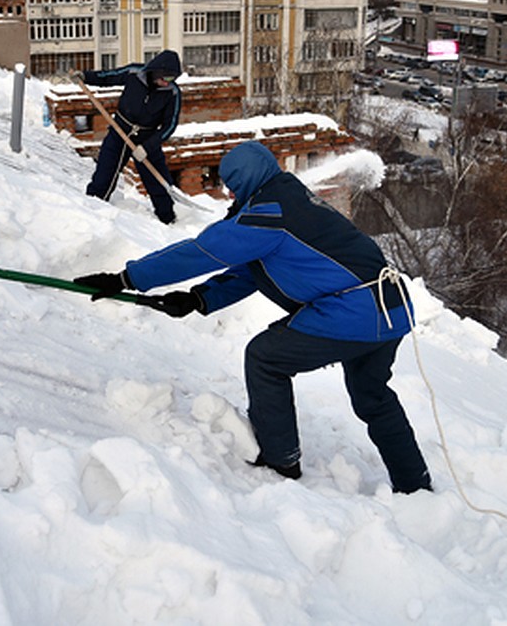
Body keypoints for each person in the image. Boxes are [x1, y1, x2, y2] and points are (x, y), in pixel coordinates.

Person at [74, 141, 432, 492]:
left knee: (266, 358)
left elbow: (201, 252)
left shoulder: (268, 213)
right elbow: (253, 269)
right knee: (374, 398)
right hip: (391, 309)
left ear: (244, 180)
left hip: (352, 311)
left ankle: (282, 458)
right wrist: (198, 299)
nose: (230, 195)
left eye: (231, 187)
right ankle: (414, 485)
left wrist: (126, 278)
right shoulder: (289, 200)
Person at [77, 50, 182, 224]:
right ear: (156, 71)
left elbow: (169, 126)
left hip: (147, 139)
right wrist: (85, 76)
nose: (167, 83)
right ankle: (91, 214)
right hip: (120, 131)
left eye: (172, 79)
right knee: (105, 173)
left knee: (158, 182)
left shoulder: (172, 93)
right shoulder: (134, 73)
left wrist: (147, 147)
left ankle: (169, 221)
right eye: (166, 78)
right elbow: (108, 77)